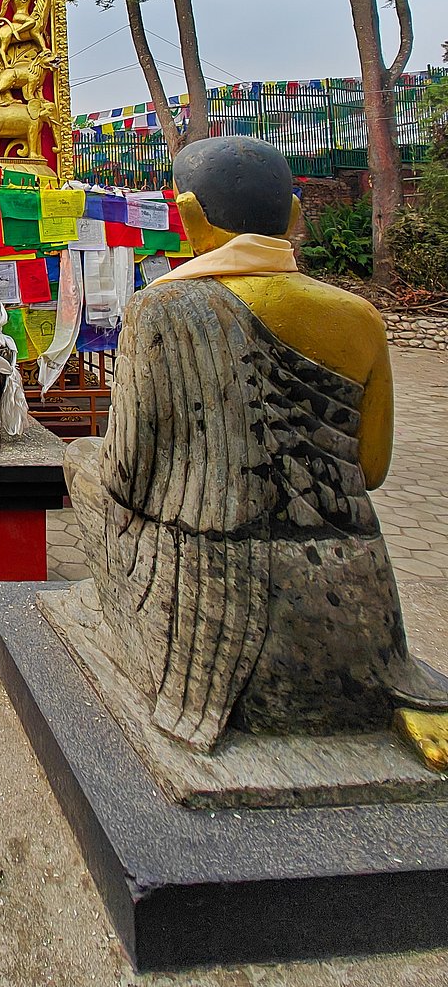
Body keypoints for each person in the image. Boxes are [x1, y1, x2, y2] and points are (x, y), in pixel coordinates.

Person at [64, 135, 448, 767]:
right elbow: (371, 470)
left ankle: (146, 641)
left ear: (186, 214)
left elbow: (127, 477)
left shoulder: (162, 309)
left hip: (213, 596)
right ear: (296, 215)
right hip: (359, 592)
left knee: (79, 463)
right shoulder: (358, 318)